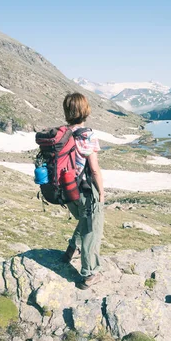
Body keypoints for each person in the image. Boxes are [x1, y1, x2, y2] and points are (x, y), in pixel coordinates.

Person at [60, 92, 105, 290]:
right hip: (85, 190)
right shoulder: (87, 136)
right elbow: (93, 169)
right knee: (92, 229)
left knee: (84, 220)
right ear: (85, 110)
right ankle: (89, 273)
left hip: (67, 189)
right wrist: (101, 192)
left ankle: (71, 250)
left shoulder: (61, 134)